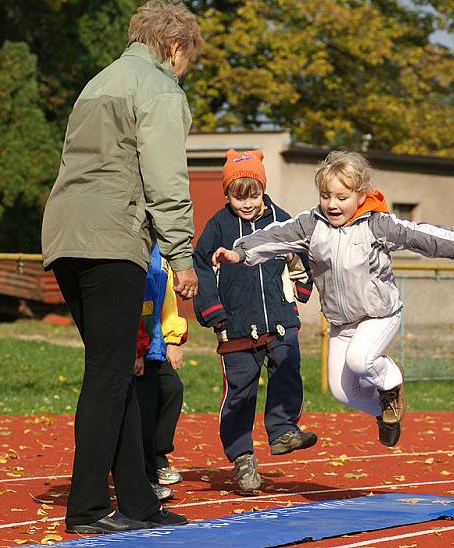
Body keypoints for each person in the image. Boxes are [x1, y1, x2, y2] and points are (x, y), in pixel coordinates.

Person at [212, 151, 454, 448]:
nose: (332, 204)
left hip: (379, 314)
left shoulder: (377, 224)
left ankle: (391, 379)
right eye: (326, 196)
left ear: (360, 196)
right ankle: (386, 410)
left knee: (360, 361)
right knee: (342, 392)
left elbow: (417, 235)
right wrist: (240, 252)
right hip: (342, 323)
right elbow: (274, 236)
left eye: (341, 197)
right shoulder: (312, 224)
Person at [40, 0, 199, 533]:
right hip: (112, 237)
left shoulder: (98, 82)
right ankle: (86, 508)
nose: (184, 69)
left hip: (65, 233)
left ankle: (138, 501)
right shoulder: (158, 88)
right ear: (174, 47)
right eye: (187, 59)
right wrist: (181, 254)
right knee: (109, 376)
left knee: (121, 371)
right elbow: (166, 178)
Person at [193, 149, 317, 495]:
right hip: (234, 322)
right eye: (238, 196)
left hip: (279, 317)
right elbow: (201, 264)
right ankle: (242, 456)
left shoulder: (281, 219)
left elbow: (300, 253)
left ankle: (281, 430)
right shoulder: (218, 225)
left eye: (254, 195)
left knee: (287, 366)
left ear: (263, 190)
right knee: (240, 391)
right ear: (227, 194)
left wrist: (301, 288)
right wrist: (212, 309)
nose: (247, 203)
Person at [134, 243, 188, 502]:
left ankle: (157, 457)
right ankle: (144, 477)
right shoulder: (136, 249)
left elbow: (167, 301)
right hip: (137, 344)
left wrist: (173, 340)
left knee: (172, 389)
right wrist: (136, 350)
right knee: (142, 410)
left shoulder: (161, 254)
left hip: (155, 344)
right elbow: (134, 304)